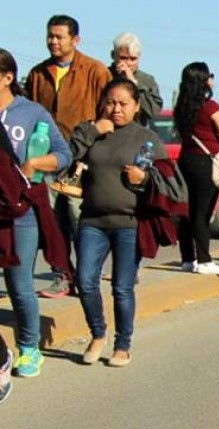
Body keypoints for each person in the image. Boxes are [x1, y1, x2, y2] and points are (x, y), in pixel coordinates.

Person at [70, 78, 185, 367]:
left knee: (122, 287)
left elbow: (174, 187)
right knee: (84, 281)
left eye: (123, 103)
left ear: (136, 106)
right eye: (110, 102)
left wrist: (144, 178)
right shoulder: (93, 130)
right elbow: (66, 156)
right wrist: (95, 129)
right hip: (92, 220)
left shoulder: (146, 138)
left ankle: (123, 344)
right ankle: (98, 334)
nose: (115, 109)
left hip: (129, 223)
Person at [25, 15, 113, 299]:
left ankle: (89, 275)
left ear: (75, 39)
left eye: (59, 36)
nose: (53, 41)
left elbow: (109, 114)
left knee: (81, 219)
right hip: (48, 159)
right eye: (50, 36)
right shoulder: (39, 74)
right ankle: (62, 275)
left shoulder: (96, 71)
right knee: (50, 221)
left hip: (83, 160)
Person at [0, 49, 72, 378]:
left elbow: (63, 154)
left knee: (19, 283)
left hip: (21, 210)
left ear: (7, 77)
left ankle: (30, 348)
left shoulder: (30, 112)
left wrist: (34, 164)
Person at [173, 62, 219, 276]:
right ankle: (205, 259)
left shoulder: (181, 107)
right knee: (202, 212)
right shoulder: (211, 107)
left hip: (185, 160)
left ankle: (187, 258)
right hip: (206, 163)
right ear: (203, 80)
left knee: (187, 212)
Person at [108, 33, 162, 126]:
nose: (128, 63)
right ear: (113, 55)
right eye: (123, 58)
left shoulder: (147, 80)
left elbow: (153, 111)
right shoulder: (103, 75)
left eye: (133, 59)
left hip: (136, 135)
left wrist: (134, 83)